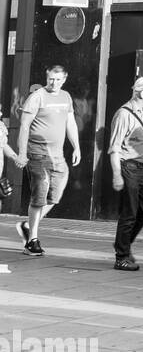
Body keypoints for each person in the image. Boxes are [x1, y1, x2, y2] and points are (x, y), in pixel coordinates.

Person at [13, 65, 80, 256]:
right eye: (51, 79)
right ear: (47, 76)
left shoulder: (66, 97)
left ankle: (27, 226)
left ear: (64, 79)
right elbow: (24, 127)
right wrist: (22, 153)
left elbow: (71, 123)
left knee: (55, 196)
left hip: (57, 155)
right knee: (39, 196)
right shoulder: (37, 97)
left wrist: (76, 147)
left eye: (58, 79)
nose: (54, 83)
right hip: (37, 154)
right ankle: (32, 241)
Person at [108, 76, 143, 272]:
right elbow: (114, 148)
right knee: (129, 213)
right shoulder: (124, 114)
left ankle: (123, 242)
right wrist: (116, 174)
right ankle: (121, 257)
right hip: (129, 167)